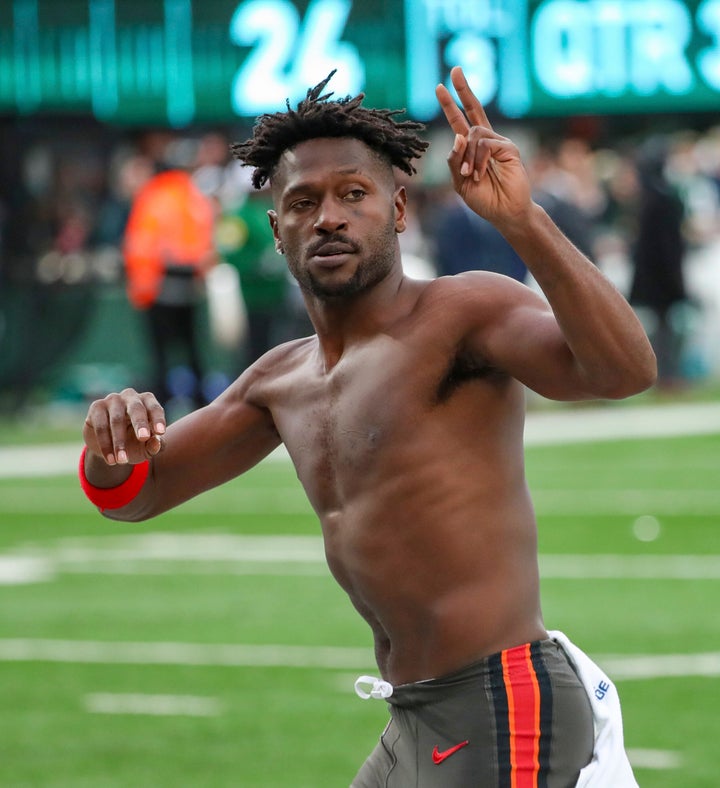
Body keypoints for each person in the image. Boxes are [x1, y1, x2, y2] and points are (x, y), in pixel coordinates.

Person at [79, 68, 656, 787]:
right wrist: (109, 449)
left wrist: (523, 223)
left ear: (399, 209)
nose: (329, 217)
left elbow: (623, 372)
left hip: (500, 698)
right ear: (276, 229)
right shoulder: (278, 380)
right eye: (304, 201)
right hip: (414, 718)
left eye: (354, 194)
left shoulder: (461, 313)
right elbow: (137, 492)